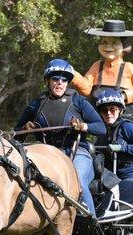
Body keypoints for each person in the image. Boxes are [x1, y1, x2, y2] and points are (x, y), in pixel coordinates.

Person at [15, 58, 106, 215]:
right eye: (55, 78)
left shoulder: (79, 101)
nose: (60, 83)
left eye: (64, 79)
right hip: (45, 156)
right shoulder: (35, 105)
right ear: (47, 81)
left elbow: (101, 128)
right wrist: (25, 129)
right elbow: (16, 137)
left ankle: (91, 219)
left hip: (77, 153)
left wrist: (83, 126)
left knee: (78, 181)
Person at [71, 20, 133, 123]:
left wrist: (123, 95)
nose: (108, 46)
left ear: (124, 47)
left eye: (114, 43)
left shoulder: (129, 68)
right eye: (104, 42)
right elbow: (86, 89)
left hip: (124, 126)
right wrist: (73, 75)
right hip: (100, 125)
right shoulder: (97, 66)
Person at [95, 88, 133, 204]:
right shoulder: (102, 134)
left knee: (106, 209)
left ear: (120, 110)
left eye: (112, 109)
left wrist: (122, 148)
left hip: (132, 178)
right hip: (113, 181)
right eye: (104, 111)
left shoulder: (126, 127)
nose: (108, 113)